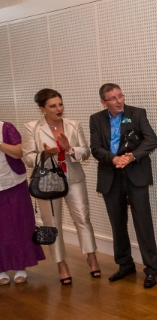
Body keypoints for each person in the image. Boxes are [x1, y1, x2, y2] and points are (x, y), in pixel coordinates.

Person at [23, 89, 101, 285]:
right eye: (53, 106)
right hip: (47, 182)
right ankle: (61, 264)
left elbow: (86, 152)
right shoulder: (31, 128)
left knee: (83, 219)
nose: (59, 109)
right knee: (52, 223)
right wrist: (45, 154)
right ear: (42, 109)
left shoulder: (74, 125)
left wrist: (69, 149)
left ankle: (92, 258)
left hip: (74, 178)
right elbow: (28, 158)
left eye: (60, 104)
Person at [89, 84, 157, 288]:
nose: (119, 101)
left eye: (120, 96)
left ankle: (151, 269)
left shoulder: (136, 114)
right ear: (103, 102)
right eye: (113, 98)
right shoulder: (96, 119)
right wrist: (114, 159)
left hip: (135, 174)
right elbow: (96, 148)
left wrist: (132, 156)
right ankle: (125, 264)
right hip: (110, 175)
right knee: (117, 223)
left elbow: (151, 140)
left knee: (143, 223)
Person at [0, 120, 46, 285]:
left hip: (13, 184)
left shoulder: (6, 127)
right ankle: (1, 268)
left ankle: (21, 266)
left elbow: (19, 153)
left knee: (19, 225)